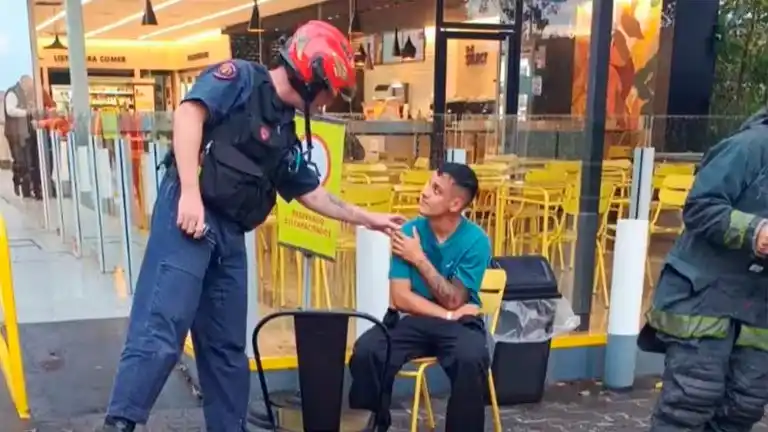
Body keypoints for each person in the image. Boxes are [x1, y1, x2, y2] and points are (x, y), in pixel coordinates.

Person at [100, 21, 405, 432]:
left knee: (226, 347)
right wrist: (189, 191)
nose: (330, 100)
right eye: (330, 90)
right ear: (313, 77)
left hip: (230, 231)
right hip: (191, 213)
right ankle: (121, 423)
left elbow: (311, 193)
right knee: (162, 325)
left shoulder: (285, 130)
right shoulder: (239, 80)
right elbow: (189, 114)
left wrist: (370, 219)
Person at [640, 107, 768, 431]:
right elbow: (700, 206)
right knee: (689, 404)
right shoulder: (750, 147)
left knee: (743, 407)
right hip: (705, 299)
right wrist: (754, 232)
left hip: (758, 312)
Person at [348, 163, 492, 432]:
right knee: (367, 351)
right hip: (413, 320)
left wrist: (418, 258)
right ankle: (375, 425)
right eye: (428, 183)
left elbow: (454, 299)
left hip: (459, 326)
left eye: (436, 190)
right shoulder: (408, 232)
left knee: (471, 358)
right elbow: (401, 297)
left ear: (455, 204)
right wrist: (447, 315)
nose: (424, 192)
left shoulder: (476, 241)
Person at [3, 75, 36, 198]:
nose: (30, 87)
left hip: (24, 132)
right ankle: (18, 181)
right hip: (14, 133)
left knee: (27, 160)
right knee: (20, 160)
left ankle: (26, 189)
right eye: (28, 85)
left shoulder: (25, 94)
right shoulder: (13, 93)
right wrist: (26, 112)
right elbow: (10, 110)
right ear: (23, 83)